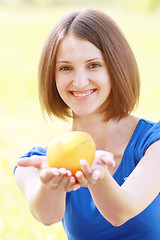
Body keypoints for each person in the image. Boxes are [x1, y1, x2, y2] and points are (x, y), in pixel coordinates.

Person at [14, 8, 160, 240]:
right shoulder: (35, 163)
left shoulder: (153, 144)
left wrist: (98, 177)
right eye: (65, 68)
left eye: (93, 65)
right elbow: (47, 215)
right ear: (52, 77)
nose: (80, 82)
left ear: (116, 68)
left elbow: (121, 212)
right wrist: (50, 183)